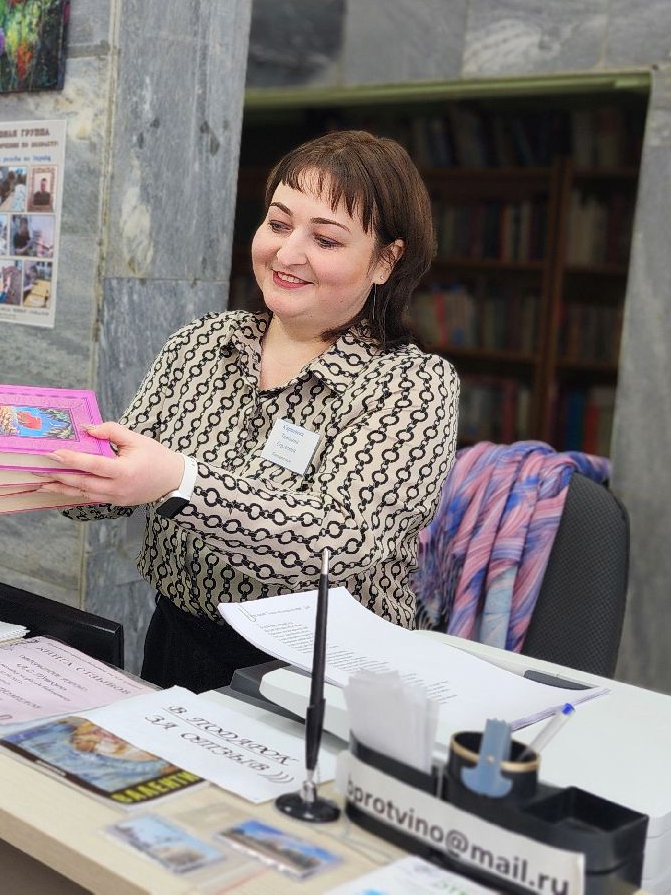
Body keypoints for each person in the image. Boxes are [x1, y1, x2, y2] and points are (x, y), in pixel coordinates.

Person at [47, 130, 458, 692]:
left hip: (322, 675)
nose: (288, 254)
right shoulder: (201, 344)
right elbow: (110, 492)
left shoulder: (411, 385)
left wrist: (180, 480)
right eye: (279, 224)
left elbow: (334, 545)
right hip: (178, 643)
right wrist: (13, 467)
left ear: (386, 260)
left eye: (327, 241)